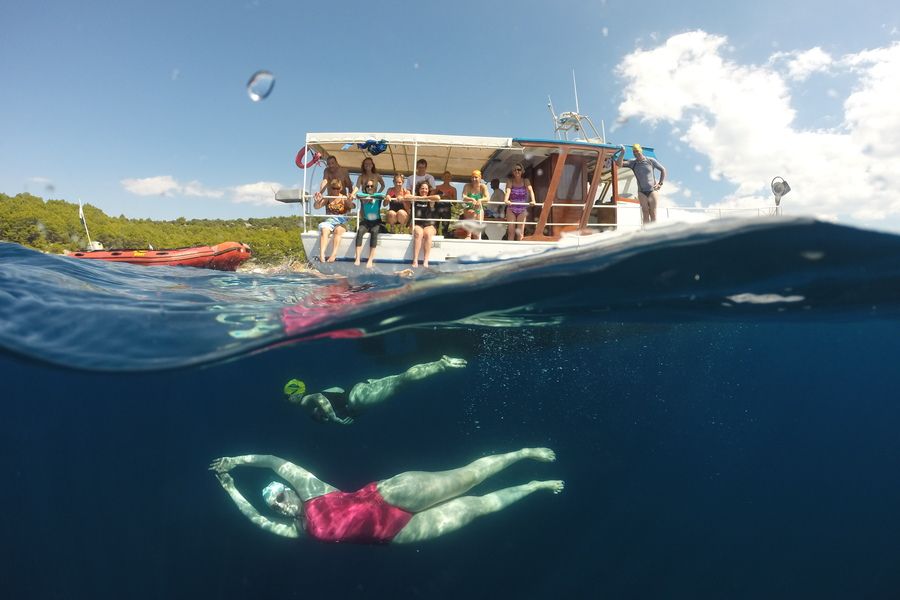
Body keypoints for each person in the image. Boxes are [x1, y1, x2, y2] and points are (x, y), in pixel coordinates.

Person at [210, 447, 564, 544]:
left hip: (389, 496)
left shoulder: (312, 490)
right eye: (274, 504)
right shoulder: (296, 531)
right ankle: (533, 487)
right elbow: (252, 518)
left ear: (289, 490)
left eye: (280, 494)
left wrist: (236, 463)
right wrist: (230, 489)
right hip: (395, 534)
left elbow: (273, 461)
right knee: (477, 508)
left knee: (466, 478)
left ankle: (521, 454)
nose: (280, 503)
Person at [284, 355, 467, 424]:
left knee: (402, 382)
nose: (287, 400)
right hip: (359, 390)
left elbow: (318, 398)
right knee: (400, 379)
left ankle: (442, 365)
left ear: (296, 394)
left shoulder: (305, 402)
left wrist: (333, 418)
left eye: (288, 396)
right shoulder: (325, 390)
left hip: (358, 399)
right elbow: (335, 392)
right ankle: (438, 363)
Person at [616, 143, 666, 224]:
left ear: (641, 151)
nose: (636, 154)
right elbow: (619, 164)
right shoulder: (632, 163)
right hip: (641, 192)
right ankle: (646, 232)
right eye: (634, 152)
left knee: (653, 212)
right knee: (645, 212)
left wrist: (660, 183)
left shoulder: (650, 160)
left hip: (652, 190)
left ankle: (655, 232)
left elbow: (663, 170)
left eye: (637, 151)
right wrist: (622, 152)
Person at [314, 178, 355, 262]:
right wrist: (317, 201)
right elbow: (316, 207)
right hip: (329, 221)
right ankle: (322, 254)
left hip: (341, 222)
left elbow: (352, 206)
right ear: (330, 188)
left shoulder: (343, 198)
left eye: (338, 188)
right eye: (333, 188)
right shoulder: (328, 197)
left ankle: (334, 254)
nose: (336, 190)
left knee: (338, 230)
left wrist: (349, 201)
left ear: (340, 188)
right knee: (324, 230)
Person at [353, 181, 387, 268]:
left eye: (372, 186)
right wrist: (368, 198)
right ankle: (357, 258)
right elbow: (358, 195)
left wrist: (372, 197)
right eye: (368, 186)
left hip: (376, 222)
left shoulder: (378, 197)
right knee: (360, 231)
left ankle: (370, 259)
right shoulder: (363, 197)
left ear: (375, 187)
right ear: (365, 187)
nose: (370, 188)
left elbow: (383, 196)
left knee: (374, 231)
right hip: (366, 221)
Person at [411, 181, 441, 268]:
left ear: (428, 190)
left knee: (427, 233)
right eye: (422, 188)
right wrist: (418, 198)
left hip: (429, 225)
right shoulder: (415, 199)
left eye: (426, 189)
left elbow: (438, 197)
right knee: (419, 233)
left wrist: (426, 198)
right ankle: (415, 259)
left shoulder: (430, 199)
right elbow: (407, 196)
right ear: (419, 189)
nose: (424, 190)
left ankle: (426, 260)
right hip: (418, 224)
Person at [504, 163, 536, 241]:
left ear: (522, 171)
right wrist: (506, 200)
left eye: (519, 169)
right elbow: (508, 191)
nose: (517, 171)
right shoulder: (510, 181)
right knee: (511, 232)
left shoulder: (526, 181)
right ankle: (509, 250)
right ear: (513, 172)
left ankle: (519, 250)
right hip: (511, 208)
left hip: (522, 209)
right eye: (515, 170)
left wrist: (533, 200)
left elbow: (530, 190)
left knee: (520, 233)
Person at [461, 170, 489, 239]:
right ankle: (469, 235)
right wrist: (471, 199)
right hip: (468, 208)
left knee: (477, 214)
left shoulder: (483, 186)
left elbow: (488, 198)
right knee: (472, 213)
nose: (474, 179)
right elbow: (464, 196)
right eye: (472, 177)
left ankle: (476, 237)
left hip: (478, 209)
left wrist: (480, 200)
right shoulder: (467, 186)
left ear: (480, 178)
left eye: (476, 177)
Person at [434, 171, 457, 236]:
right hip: (437, 206)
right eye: (445, 176)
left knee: (445, 226)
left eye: (449, 177)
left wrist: (449, 197)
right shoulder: (437, 187)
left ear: (451, 178)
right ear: (442, 178)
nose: (447, 178)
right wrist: (440, 196)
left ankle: (444, 237)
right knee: (435, 224)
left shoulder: (453, 189)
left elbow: (455, 202)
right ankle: (434, 237)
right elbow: (432, 196)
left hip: (447, 207)